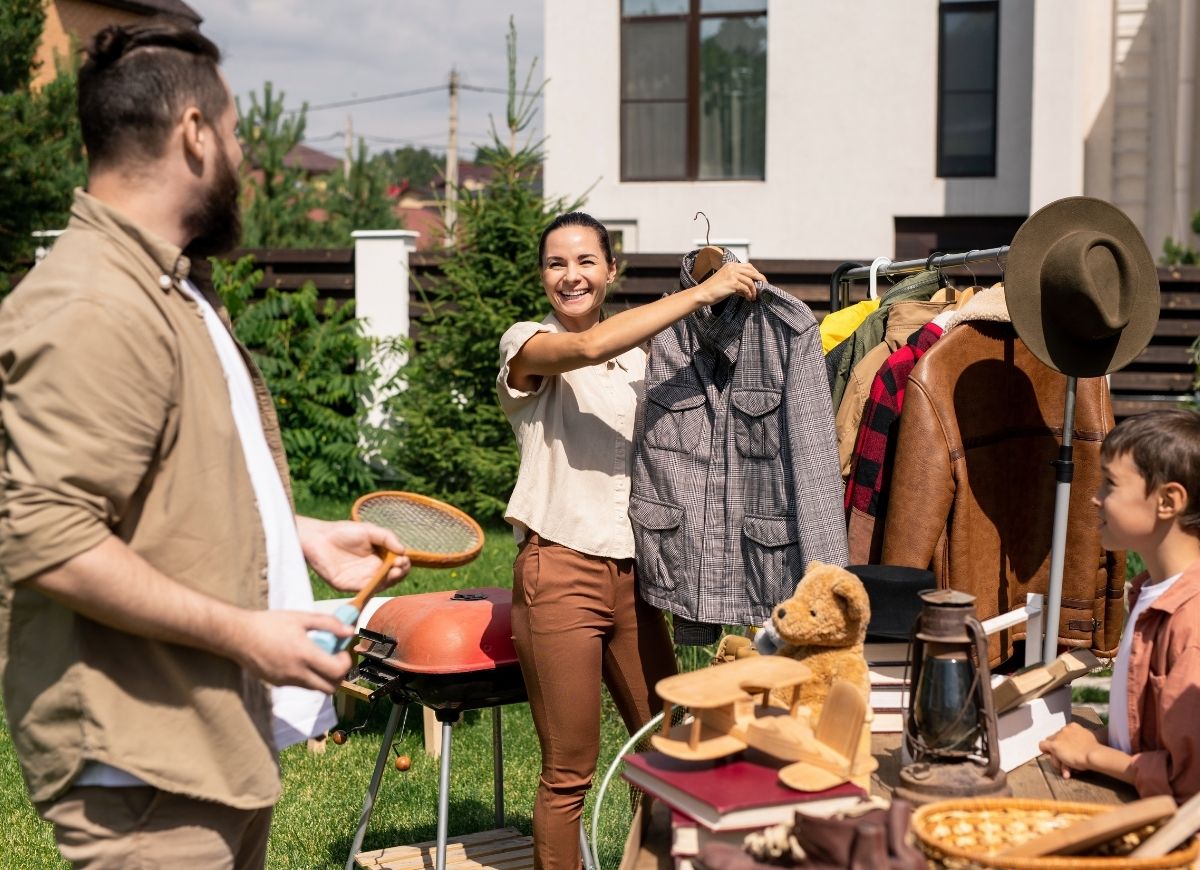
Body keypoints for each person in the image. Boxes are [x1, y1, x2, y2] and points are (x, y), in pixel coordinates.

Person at [0, 21, 410, 869]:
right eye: (234, 133)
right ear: (193, 133)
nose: (243, 156)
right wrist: (247, 635)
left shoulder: (171, 287)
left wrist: (297, 535)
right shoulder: (92, 305)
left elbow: (169, 475)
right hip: (142, 770)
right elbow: (47, 538)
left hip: (207, 743)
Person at [496, 211, 764, 869]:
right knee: (569, 773)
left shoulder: (641, 363)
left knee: (670, 748)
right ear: (543, 276)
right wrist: (700, 291)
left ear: (610, 270)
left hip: (636, 581)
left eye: (586, 261)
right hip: (558, 571)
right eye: (557, 263)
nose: (571, 275)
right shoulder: (528, 343)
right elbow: (585, 349)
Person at [1040, 408, 1200, 802]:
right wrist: (1100, 740)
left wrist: (1095, 754)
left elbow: (1189, 784)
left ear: (1168, 500)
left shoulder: (1190, 624)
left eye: (1110, 484)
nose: (1095, 498)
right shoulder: (1152, 591)